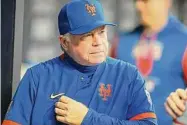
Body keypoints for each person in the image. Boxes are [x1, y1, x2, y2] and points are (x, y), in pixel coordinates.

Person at [2, 0, 158, 125]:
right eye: (87, 35)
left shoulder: (128, 75)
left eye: (101, 32)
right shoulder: (37, 77)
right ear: (64, 42)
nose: (98, 42)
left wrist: (88, 119)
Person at [110, 0, 187, 124]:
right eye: (136, 1)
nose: (138, 6)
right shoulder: (121, 41)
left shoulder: (183, 41)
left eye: (145, 1)